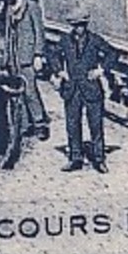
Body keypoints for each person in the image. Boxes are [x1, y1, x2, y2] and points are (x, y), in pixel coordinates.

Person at [50, 15, 119, 173]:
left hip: (91, 89)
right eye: (75, 25)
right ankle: (76, 158)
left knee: (96, 125)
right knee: (72, 125)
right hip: (72, 89)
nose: (78, 28)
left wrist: (101, 70)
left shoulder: (95, 40)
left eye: (81, 25)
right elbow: (52, 54)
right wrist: (60, 71)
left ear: (86, 25)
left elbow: (113, 54)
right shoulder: (65, 40)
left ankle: (99, 159)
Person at [0, 0, 49, 140]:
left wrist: (38, 54)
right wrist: (5, 57)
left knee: (30, 91)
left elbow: (39, 32)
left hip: (27, 56)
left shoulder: (31, 6)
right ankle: (25, 124)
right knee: (16, 92)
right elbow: (8, 34)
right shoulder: (9, 8)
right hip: (14, 57)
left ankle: (40, 123)